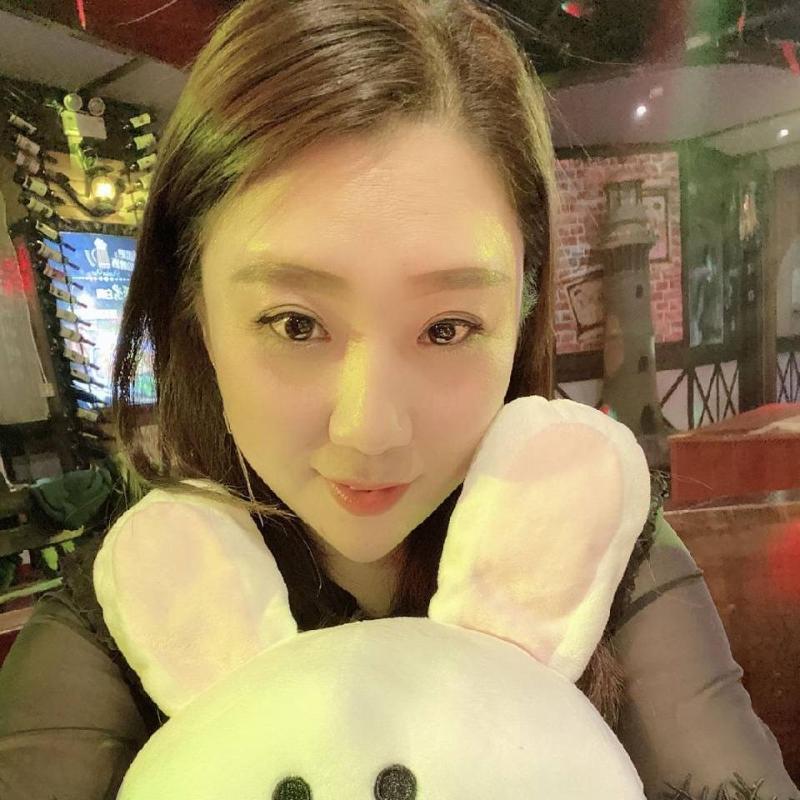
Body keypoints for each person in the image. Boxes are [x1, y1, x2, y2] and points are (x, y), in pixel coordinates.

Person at [0, 0, 797, 798]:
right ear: (195, 311)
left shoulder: (591, 549)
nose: (369, 430)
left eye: (447, 328)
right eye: (295, 323)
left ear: (522, 317)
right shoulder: (136, 604)